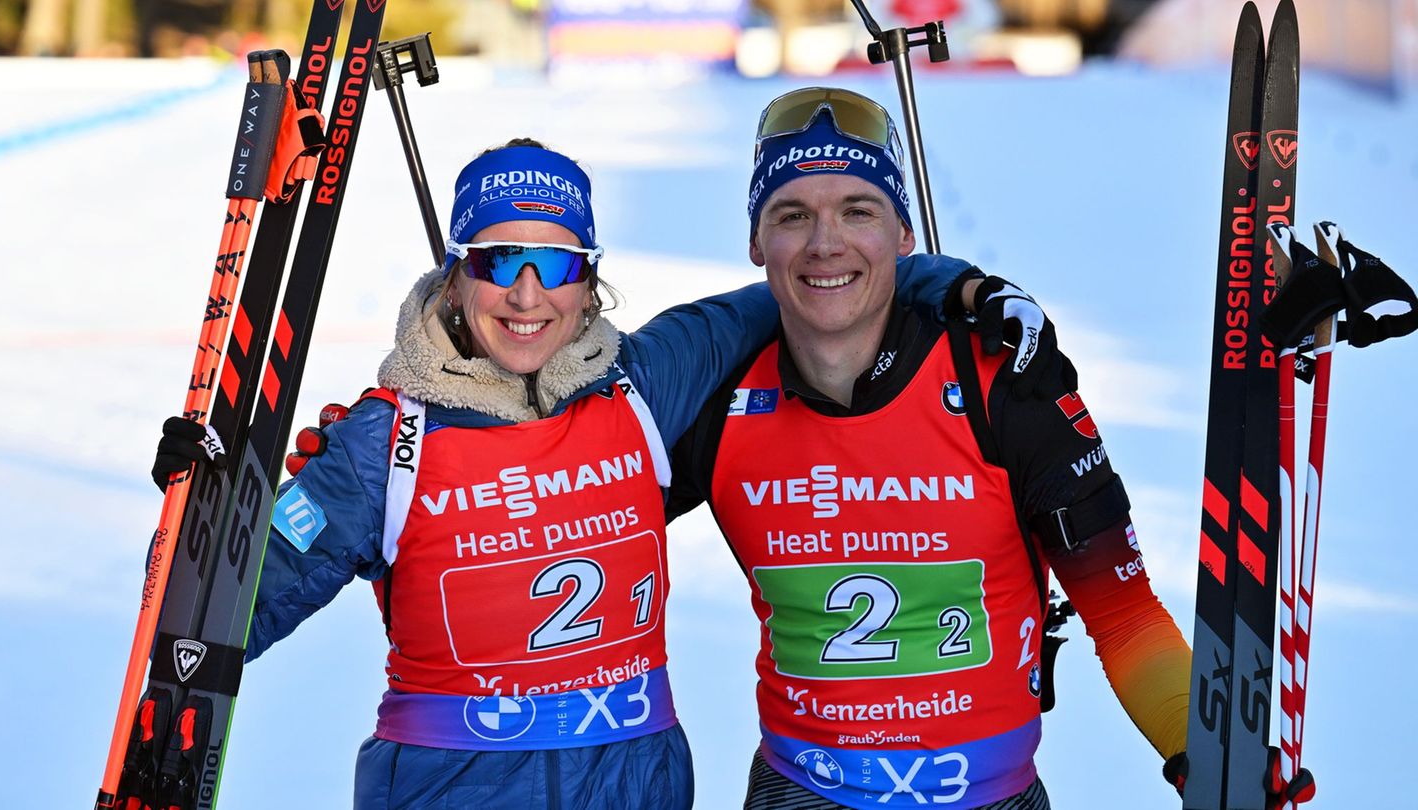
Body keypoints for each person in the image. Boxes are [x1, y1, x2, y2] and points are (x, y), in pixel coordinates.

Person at [152, 136, 1060, 808]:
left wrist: (960, 286)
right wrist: (205, 519)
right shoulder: (383, 444)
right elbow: (225, 611)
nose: (526, 294)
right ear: (456, 276)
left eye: (555, 264)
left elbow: (821, 276)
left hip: (636, 783)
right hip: (450, 787)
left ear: (589, 279)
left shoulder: (642, 387)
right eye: (497, 260)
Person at [662, 87, 1274, 809]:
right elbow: (566, 513)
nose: (825, 243)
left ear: (903, 234)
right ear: (757, 243)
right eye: (792, 215)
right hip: (798, 791)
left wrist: (1202, 754)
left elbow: (1123, 610)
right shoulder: (718, 399)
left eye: (859, 210)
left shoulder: (1003, 377)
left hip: (988, 798)